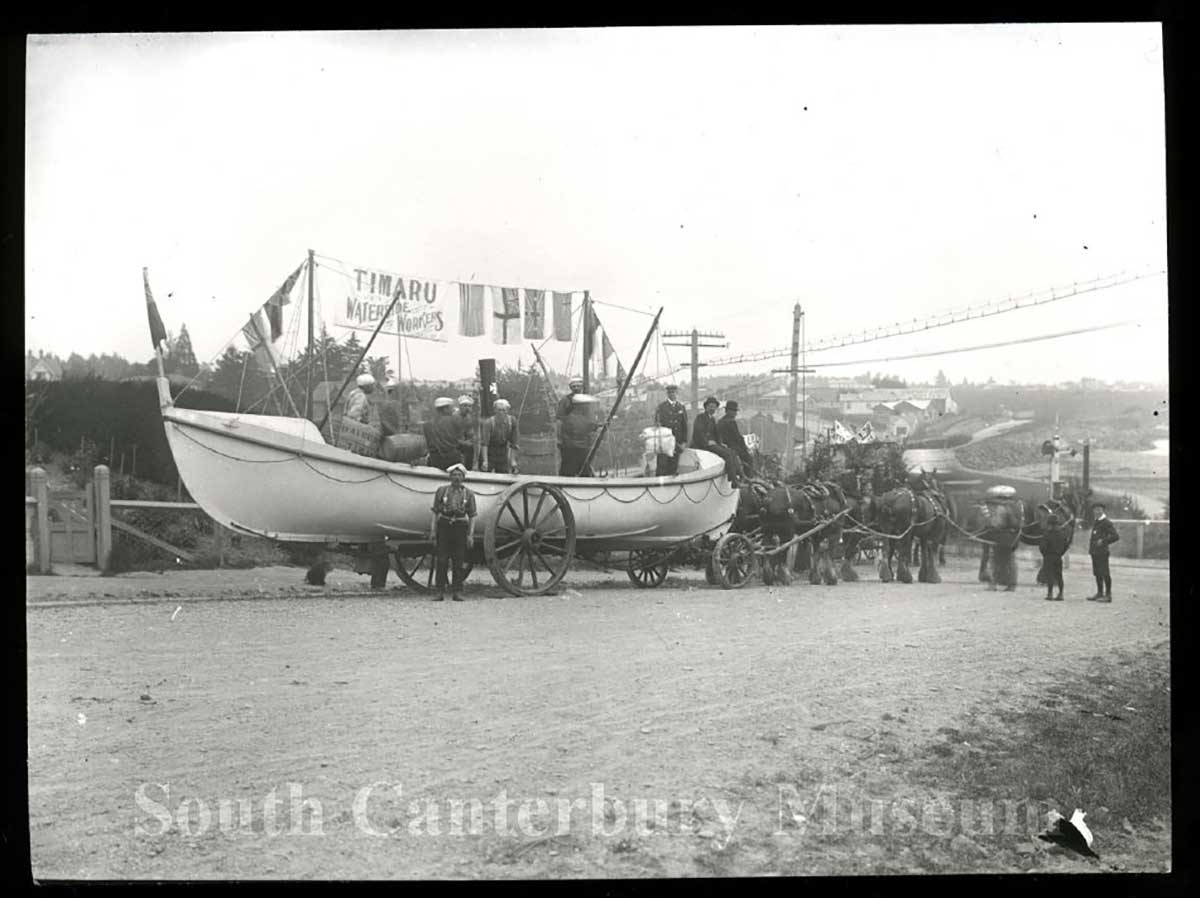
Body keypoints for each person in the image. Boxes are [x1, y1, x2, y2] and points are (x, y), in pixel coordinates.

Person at [429, 463, 476, 601]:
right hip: (444, 526)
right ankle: (439, 591)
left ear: (463, 477)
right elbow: (435, 512)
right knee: (442, 560)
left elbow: (472, 515)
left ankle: (457, 592)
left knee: (458, 560)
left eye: (459, 475)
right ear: (450, 477)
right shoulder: (442, 491)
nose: (456, 478)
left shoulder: (469, 494)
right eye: (454, 475)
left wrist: (471, 535)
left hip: (460, 527)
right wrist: (433, 530)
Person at [691, 396, 742, 486]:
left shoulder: (712, 419)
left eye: (714, 407)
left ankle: (738, 474)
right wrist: (707, 442)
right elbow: (698, 433)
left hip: (713, 444)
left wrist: (720, 443)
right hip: (703, 445)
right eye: (710, 406)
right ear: (706, 407)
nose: (712, 408)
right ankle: (733, 480)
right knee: (727, 454)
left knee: (732, 452)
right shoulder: (701, 417)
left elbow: (716, 434)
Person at [559, 393, 599, 477]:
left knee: (568, 473)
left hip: (571, 450)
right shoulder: (582, 419)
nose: (588, 407)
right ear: (580, 406)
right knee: (582, 473)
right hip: (579, 450)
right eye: (586, 405)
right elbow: (590, 426)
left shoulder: (568, 418)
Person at [653, 384, 688, 476]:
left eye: (674, 392)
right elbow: (657, 425)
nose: (672, 394)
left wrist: (684, 441)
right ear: (667, 394)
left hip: (678, 442)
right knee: (662, 466)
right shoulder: (661, 407)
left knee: (673, 466)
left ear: (677, 393)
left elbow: (685, 426)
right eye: (670, 392)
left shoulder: (681, 407)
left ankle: (670, 488)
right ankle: (658, 486)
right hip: (665, 442)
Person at [1088, 502, 1119, 602]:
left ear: (1103, 510)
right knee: (1097, 573)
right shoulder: (1096, 521)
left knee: (1105, 573)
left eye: (1099, 509)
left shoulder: (1106, 522)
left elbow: (1115, 536)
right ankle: (1099, 593)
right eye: (1095, 509)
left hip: (1102, 552)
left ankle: (1108, 595)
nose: (1097, 511)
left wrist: (1104, 541)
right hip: (1095, 552)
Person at [423, 397, 465, 471]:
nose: (453, 410)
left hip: (434, 459)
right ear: (445, 409)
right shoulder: (454, 421)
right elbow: (460, 439)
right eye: (451, 408)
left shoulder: (427, 424)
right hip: (452, 459)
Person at [481, 398, 520, 474]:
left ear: (507, 411)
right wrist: (485, 461)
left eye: (503, 410)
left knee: (504, 473)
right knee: (486, 472)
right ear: (495, 410)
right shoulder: (488, 423)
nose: (501, 412)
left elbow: (514, 443)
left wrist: (512, 460)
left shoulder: (512, 421)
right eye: (499, 410)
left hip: (503, 452)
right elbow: (484, 444)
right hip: (490, 452)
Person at [717, 400, 754, 479]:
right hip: (732, 447)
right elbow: (738, 437)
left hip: (725, 445)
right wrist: (745, 448)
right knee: (749, 459)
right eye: (733, 411)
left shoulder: (720, 421)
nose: (735, 413)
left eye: (735, 411)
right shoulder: (730, 422)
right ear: (727, 411)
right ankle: (748, 478)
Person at [1039, 511, 1071, 601]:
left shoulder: (1047, 534)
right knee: (1059, 576)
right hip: (1058, 557)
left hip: (1049, 557)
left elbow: (1042, 547)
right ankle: (1060, 594)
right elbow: (1066, 545)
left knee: (1050, 576)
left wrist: (1044, 554)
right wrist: (1061, 553)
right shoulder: (1062, 534)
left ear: (1049, 523)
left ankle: (1050, 593)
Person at [455, 395, 478, 470]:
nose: (467, 408)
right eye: (465, 406)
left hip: (465, 445)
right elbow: (450, 436)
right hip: (454, 445)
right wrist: (464, 442)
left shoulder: (469, 418)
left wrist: (472, 439)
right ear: (460, 406)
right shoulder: (454, 417)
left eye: (469, 406)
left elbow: (470, 433)